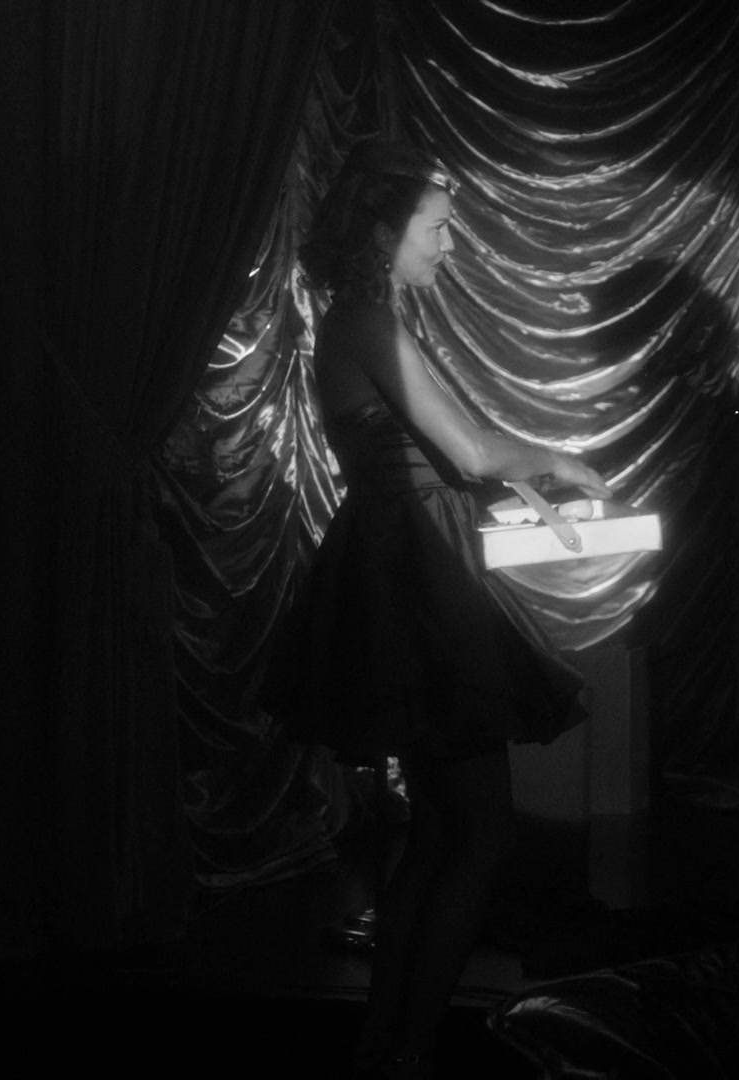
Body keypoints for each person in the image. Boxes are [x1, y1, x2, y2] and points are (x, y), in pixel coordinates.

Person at [260, 138, 612, 1080]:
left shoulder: (361, 320)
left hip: (407, 565)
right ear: (385, 231)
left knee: (448, 828)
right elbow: (470, 451)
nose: (451, 245)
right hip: (413, 579)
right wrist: (561, 461)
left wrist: (516, 486)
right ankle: (406, 1048)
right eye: (440, 227)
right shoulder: (366, 320)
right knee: (479, 828)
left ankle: (390, 1044)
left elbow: (440, 458)